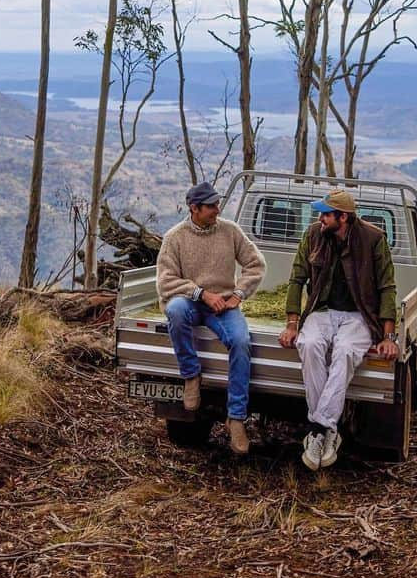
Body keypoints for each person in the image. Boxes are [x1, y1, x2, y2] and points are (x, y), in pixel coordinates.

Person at [278, 188, 398, 470]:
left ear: (343, 217)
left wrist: (389, 336)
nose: (320, 218)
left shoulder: (374, 239)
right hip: (321, 310)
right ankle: (328, 429)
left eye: (325, 214)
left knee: (345, 352)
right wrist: (292, 324)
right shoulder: (313, 235)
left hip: (358, 314)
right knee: (308, 346)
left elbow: (387, 287)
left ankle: (318, 429)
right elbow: (296, 279)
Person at [156, 181, 266, 454]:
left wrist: (239, 294)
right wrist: (200, 293)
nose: (218, 209)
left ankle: (236, 417)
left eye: (218, 204)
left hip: (224, 307)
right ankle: (191, 375)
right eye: (211, 206)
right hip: (192, 303)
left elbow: (256, 264)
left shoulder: (230, 231)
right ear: (195, 208)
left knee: (241, 341)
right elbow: (165, 282)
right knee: (175, 310)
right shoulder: (175, 237)